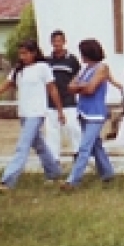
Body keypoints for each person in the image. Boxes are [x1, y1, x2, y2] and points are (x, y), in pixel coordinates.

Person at [0, 40, 66, 193]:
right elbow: (4, 86)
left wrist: (60, 111)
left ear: (34, 53)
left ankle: (7, 182)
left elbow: (53, 90)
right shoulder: (18, 70)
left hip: (36, 113)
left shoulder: (43, 68)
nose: (22, 56)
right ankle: (54, 173)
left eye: (25, 53)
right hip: (24, 113)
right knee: (39, 145)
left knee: (22, 147)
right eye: (20, 53)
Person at [61, 39, 124, 191]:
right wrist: (82, 87)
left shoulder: (102, 68)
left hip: (96, 114)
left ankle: (72, 181)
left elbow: (91, 89)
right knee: (96, 145)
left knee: (84, 147)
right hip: (83, 111)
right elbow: (70, 87)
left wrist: (80, 87)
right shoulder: (84, 69)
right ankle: (108, 173)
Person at [45, 30, 82, 163]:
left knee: (73, 127)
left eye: (59, 41)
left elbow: (79, 76)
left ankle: (78, 154)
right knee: (52, 132)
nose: (57, 43)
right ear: (51, 43)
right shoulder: (47, 60)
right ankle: (54, 159)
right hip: (51, 101)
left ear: (64, 42)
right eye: (54, 41)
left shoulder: (72, 59)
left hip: (68, 99)